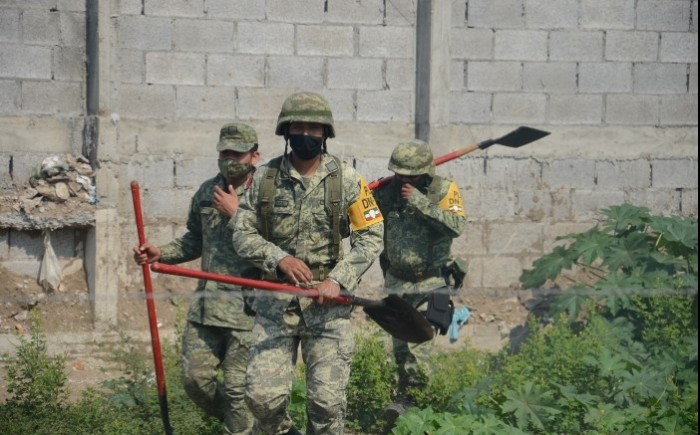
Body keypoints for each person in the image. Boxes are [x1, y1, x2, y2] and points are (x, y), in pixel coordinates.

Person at [230, 91, 384, 435]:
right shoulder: (265, 178)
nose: (306, 134)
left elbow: (371, 236)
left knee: (326, 405)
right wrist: (279, 258)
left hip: (328, 308)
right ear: (286, 131)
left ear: (325, 133)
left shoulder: (348, 179)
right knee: (262, 400)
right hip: (275, 304)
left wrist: (338, 280)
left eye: (314, 128)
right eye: (298, 126)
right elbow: (241, 232)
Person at [132, 122, 261, 435]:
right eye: (224, 153)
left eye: (237, 154)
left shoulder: (267, 194)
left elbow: (277, 245)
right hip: (207, 308)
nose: (229, 160)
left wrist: (237, 214)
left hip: (249, 311)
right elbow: (194, 239)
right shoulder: (207, 191)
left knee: (237, 390)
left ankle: (243, 427)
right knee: (195, 382)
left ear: (254, 156)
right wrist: (160, 253)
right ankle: (251, 424)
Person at [372, 139, 467, 428]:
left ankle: (415, 406)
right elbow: (363, 219)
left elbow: (456, 226)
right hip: (396, 281)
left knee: (420, 345)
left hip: (431, 282)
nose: (403, 180)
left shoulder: (444, 190)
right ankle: (402, 400)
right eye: (399, 174)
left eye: (410, 176)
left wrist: (420, 201)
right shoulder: (387, 192)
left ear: (425, 172)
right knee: (399, 347)